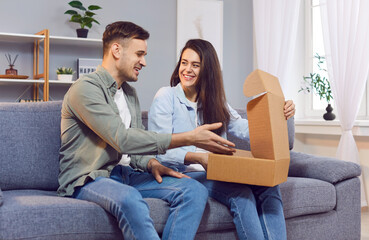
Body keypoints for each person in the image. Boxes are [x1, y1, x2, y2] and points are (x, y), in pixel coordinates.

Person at [58, 22, 236, 240]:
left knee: (194, 190)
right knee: (129, 198)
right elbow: (122, 139)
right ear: (116, 50)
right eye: (139, 54)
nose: (144, 62)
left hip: (126, 174)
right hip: (88, 179)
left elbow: (135, 149)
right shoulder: (85, 89)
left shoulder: (129, 93)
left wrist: (152, 164)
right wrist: (189, 138)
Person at [148, 39, 296, 240]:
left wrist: (278, 112)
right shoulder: (166, 96)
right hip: (183, 173)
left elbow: (249, 130)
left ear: (207, 70)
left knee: (270, 186)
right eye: (184, 63)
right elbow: (160, 149)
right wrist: (200, 158)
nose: (187, 69)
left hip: (218, 170)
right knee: (241, 194)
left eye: (195, 65)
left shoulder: (216, 102)